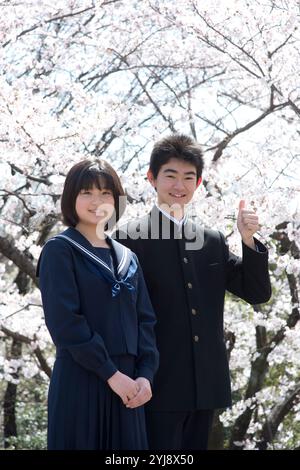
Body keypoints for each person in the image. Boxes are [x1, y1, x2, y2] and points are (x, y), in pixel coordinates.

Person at [114, 134, 272, 450]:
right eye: (170, 175)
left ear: (198, 183)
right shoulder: (127, 238)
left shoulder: (212, 240)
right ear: (151, 178)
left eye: (188, 177)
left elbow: (256, 292)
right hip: (154, 383)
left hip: (206, 384)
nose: (179, 185)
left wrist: (248, 239)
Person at [36, 160, 159, 450]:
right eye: (86, 192)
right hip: (82, 378)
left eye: (106, 193)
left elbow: (146, 322)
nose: (97, 201)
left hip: (130, 387)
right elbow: (65, 323)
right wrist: (110, 374)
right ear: (71, 198)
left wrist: (145, 376)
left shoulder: (128, 257)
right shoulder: (60, 250)